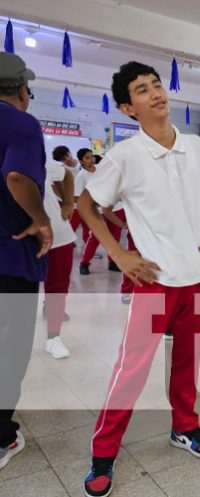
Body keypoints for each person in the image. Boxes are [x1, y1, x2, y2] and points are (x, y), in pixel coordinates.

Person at [77, 61, 200, 497]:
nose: (156, 94)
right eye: (143, 90)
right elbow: (87, 205)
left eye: (157, 85)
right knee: (132, 370)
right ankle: (104, 452)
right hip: (154, 284)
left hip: (198, 278)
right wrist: (118, 253)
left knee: (188, 361)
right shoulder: (123, 157)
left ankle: (184, 427)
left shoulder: (198, 147)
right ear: (130, 108)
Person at [0, 52, 52, 473]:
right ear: (21, 89)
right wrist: (41, 219)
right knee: (9, 347)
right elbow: (17, 177)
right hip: (9, 255)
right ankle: (1, 436)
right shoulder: (21, 124)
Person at [43, 162, 77, 359]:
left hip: (59, 235)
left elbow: (67, 175)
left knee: (57, 289)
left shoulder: (38, 160)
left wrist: (67, 203)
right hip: (19, 241)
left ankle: (53, 337)